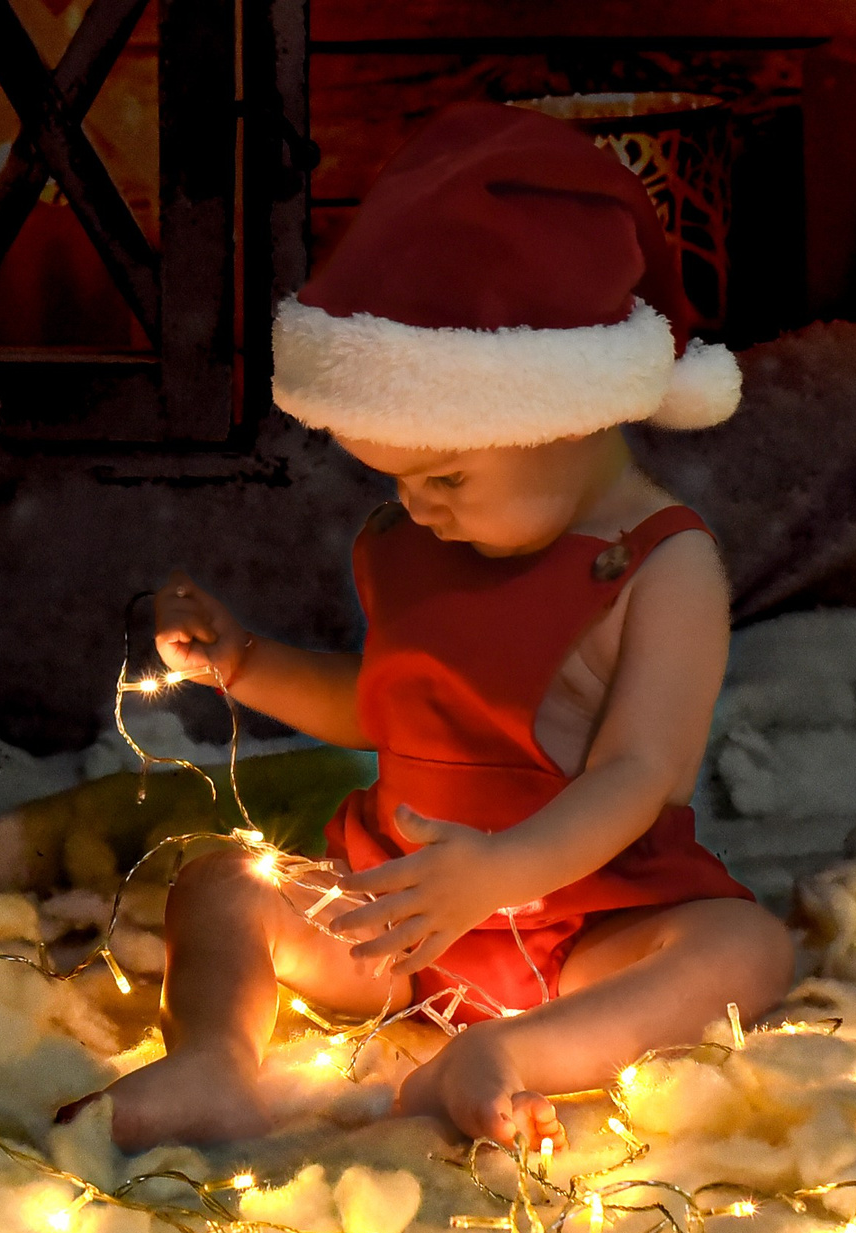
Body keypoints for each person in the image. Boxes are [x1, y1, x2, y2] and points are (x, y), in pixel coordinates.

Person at [99, 103, 794, 1154]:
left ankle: (510, 1052)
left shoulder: (664, 563)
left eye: (448, 476)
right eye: (397, 477)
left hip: (587, 920)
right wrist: (245, 662)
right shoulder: (412, 542)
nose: (416, 504)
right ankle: (213, 1060)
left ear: (566, 413)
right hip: (405, 917)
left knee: (743, 948)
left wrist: (500, 873)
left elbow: (637, 772)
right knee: (223, 881)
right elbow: (385, 702)